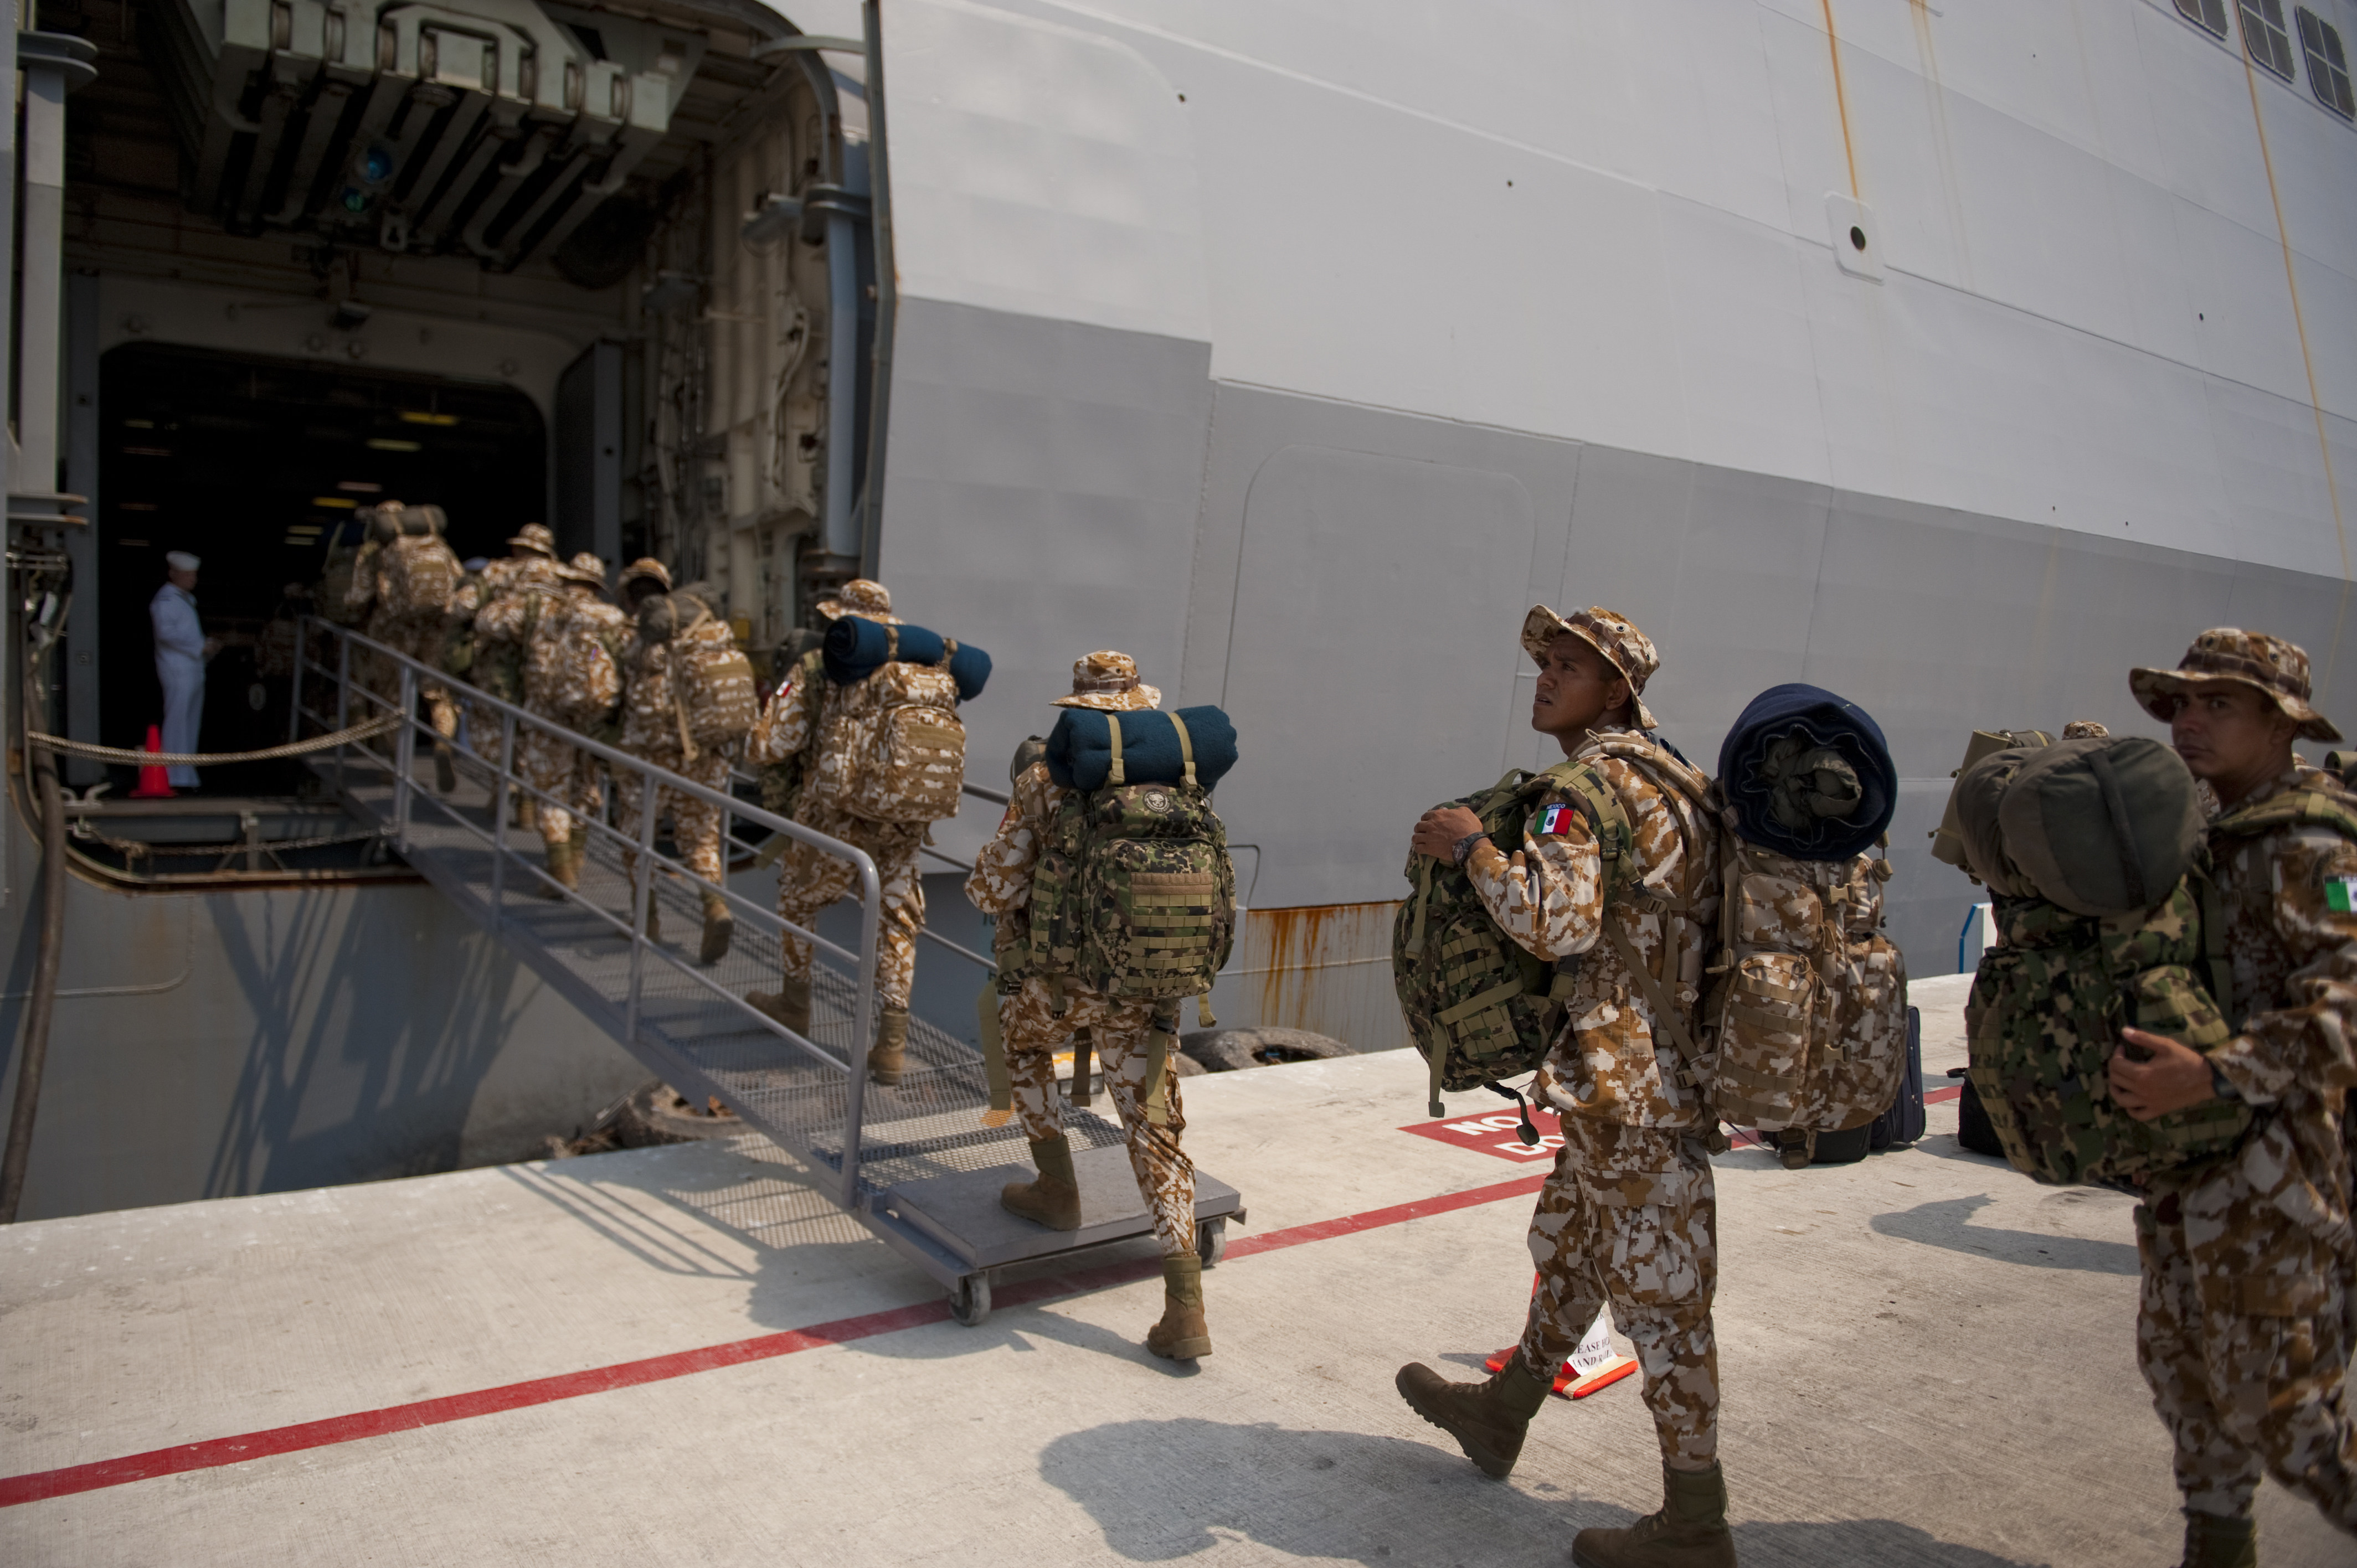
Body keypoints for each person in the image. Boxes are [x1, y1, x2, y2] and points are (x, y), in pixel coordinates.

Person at [1393, 606, 1733, 1568]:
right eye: (1544, 661)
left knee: (1665, 1305)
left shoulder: (1580, 790)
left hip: (1632, 1090)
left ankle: (1697, 1525)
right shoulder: (1683, 782)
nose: (1546, 677)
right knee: (1577, 1248)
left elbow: (1555, 923)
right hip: (1647, 1076)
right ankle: (1502, 1413)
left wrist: (1470, 847)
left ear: (1618, 687)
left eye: (1570, 665)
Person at [2112, 629, 2357, 1568]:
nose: (2188, 721)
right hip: (2189, 1167)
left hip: (2278, 1176)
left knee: (2292, 1418)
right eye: (2179, 702)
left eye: (2218, 704)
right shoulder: (2202, 832)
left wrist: (2214, 1074)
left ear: (2280, 721)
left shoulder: (2313, 839)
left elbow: (2348, 1000)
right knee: (2190, 1389)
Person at [964, 651, 1216, 1362]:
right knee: (1155, 1130)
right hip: (1147, 990)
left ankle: (1055, 1185)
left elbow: (993, 890)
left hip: (1060, 985)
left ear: (1076, 708)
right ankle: (1184, 1305)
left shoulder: (1045, 779)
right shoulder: (1183, 780)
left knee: (1017, 1036)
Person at [744, 579, 928, 1083]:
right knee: (898, 924)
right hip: (902, 819)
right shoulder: (922, 669)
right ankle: (891, 1046)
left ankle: (794, 1003)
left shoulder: (818, 665)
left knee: (799, 901)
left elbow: (771, 744)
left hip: (834, 815)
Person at [614, 587, 745, 964]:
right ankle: (714, 907)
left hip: (653, 760)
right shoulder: (717, 645)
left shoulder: (645, 652)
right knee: (702, 838)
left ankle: (648, 919)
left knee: (637, 837)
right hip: (706, 758)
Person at [518, 553, 629, 893]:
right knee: (585, 787)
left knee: (552, 790)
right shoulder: (612, 617)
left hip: (549, 715)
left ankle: (560, 868)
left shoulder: (550, 614)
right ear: (596, 586)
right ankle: (578, 859)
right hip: (592, 716)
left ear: (568, 581)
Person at [463, 523, 565, 825]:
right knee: (532, 732)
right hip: (545, 666)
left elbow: (464, 605)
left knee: (491, 728)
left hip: (499, 664)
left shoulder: (500, 572)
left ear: (520, 548)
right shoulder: (562, 577)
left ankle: (503, 782)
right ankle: (527, 801)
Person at [149, 551, 218, 791]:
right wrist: (200, 646)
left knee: (190, 723)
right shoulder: (166, 600)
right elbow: (166, 634)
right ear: (173, 574)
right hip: (177, 669)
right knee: (178, 722)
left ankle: (186, 774)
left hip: (192, 668)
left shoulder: (184, 600)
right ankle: (174, 774)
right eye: (187, 575)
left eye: (194, 575)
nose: (192, 579)